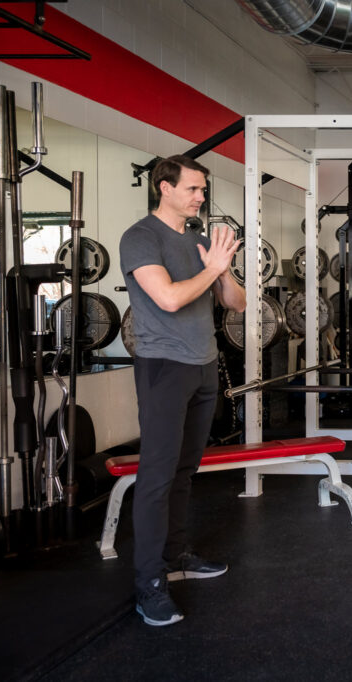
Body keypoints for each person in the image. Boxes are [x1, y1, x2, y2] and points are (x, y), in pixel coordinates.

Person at [120, 154, 246, 626]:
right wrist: (210, 268)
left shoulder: (198, 241)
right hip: (163, 367)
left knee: (185, 470)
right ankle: (148, 584)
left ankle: (176, 556)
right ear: (164, 188)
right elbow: (169, 297)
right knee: (157, 476)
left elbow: (237, 303)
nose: (200, 197)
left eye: (202, 190)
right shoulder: (141, 237)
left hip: (204, 365)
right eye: (193, 188)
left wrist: (223, 267)